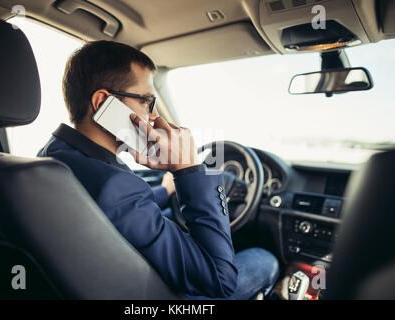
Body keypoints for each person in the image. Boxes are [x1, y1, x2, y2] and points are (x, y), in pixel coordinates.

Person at [38, 40, 279, 299]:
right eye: (146, 102)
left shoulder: (52, 156)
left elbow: (122, 211)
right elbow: (221, 280)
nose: (153, 117)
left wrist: (165, 191)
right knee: (265, 259)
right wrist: (189, 169)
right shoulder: (114, 186)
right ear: (103, 102)